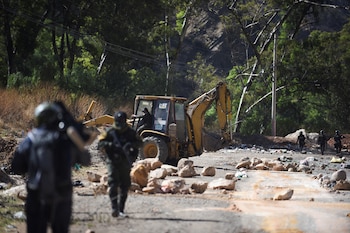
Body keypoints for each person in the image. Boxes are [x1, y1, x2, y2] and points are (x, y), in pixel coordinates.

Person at [11, 101, 92, 233]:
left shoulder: (30, 139)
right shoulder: (65, 140)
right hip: (62, 194)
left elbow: (17, 167)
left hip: (36, 194)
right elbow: (86, 160)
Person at [97, 111, 142, 218]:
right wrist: (111, 145)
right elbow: (100, 144)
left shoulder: (131, 132)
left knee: (125, 185)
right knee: (113, 184)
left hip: (125, 161)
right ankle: (114, 208)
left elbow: (140, 143)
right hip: (112, 161)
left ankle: (121, 209)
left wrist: (130, 145)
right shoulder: (110, 132)